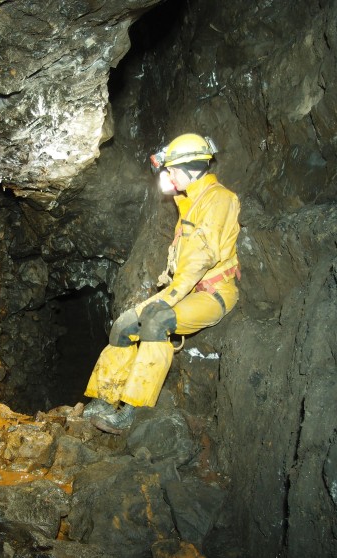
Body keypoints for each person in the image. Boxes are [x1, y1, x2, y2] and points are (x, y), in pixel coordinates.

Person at [83, 133, 241, 433]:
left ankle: (134, 411)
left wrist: (167, 298)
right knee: (124, 324)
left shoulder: (219, 200)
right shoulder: (190, 202)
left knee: (156, 322)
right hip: (185, 290)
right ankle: (104, 400)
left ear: (192, 168)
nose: (170, 176)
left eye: (173, 170)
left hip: (214, 294)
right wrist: (166, 290)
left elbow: (201, 258)